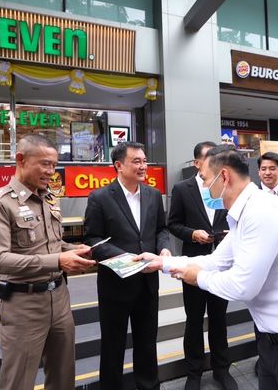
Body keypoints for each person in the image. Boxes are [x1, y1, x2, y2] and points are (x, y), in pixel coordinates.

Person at [138, 145, 278, 390]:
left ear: (225, 176)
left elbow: (243, 286)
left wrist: (198, 278)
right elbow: (216, 261)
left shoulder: (263, 211)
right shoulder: (244, 214)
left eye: (206, 179)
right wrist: (162, 262)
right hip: (275, 345)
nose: (204, 187)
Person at [0, 134, 96, 390]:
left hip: (59, 299)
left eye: (54, 165)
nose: (51, 172)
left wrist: (73, 249)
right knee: (18, 381)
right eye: (45, 164)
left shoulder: (50, 197)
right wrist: (58, 260)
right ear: (20, 159)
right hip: (23, 305)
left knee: (64, 376)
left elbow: (51, 244)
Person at [83, 141, 171, 390]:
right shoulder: (100, 197)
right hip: (115, 285)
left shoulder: (153, 195)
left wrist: (162, 247)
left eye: (145, 161)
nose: (144, 166)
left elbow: (160, 229)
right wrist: (126, 258)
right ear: (118, 166)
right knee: (113, 345)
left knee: (146, 342)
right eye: (137, 161)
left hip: (147, 283)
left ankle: (149, 386)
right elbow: (92, 239)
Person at [167, 141, 236, 390]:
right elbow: (173, 223)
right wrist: (192, 233)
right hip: (194, 263)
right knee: (194, 320)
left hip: (222, 264)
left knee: (219, 319)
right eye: (209, 158)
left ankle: (221, 370)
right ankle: (193, 373)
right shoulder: (182, 189)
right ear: (197, 163)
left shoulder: (225, 185)